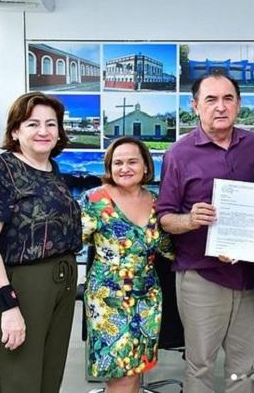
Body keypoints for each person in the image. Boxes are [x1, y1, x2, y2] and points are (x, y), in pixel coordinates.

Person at [156, 72, 254, 393]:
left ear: (239, 104)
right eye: (211, 99)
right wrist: (190, 220)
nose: (220, 107)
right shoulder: (179, 154)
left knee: (243, 369)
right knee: (201, 365)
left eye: (228, 98)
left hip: (248, 275)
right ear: (195, 105)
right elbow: (165, 217)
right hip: (202, 277)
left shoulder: (253, 145)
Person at [0, 92, 81, 392]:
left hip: (61, 282)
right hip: (20, 285)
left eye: (51, 124)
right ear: (16, 131)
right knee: (19, 381)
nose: (43, 131)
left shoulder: (52, 171)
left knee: (48, 379)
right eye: (32, 124)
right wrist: (8, 306)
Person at [79, 137, 174, 393]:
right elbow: (74, 242)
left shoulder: (157, 202)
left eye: (132, 161)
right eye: (117, 162)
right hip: (109, 298)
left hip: (147, 296)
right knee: (119, 373)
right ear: (109, 167)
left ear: (146, 166)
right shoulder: (95, 200)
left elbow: (167, 247)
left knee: (135, 370)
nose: (125, 168)